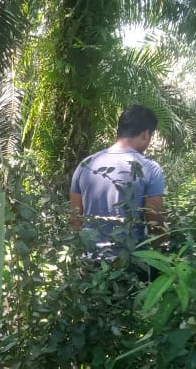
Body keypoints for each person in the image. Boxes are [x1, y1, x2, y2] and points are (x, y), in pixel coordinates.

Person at [69, 104, 166, 272]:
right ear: (146, 134)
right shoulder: (150, 168)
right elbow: (155, 219)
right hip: (132, 262)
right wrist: (162, 255)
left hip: (90, 261)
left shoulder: (85, 165)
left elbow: (76, 218)